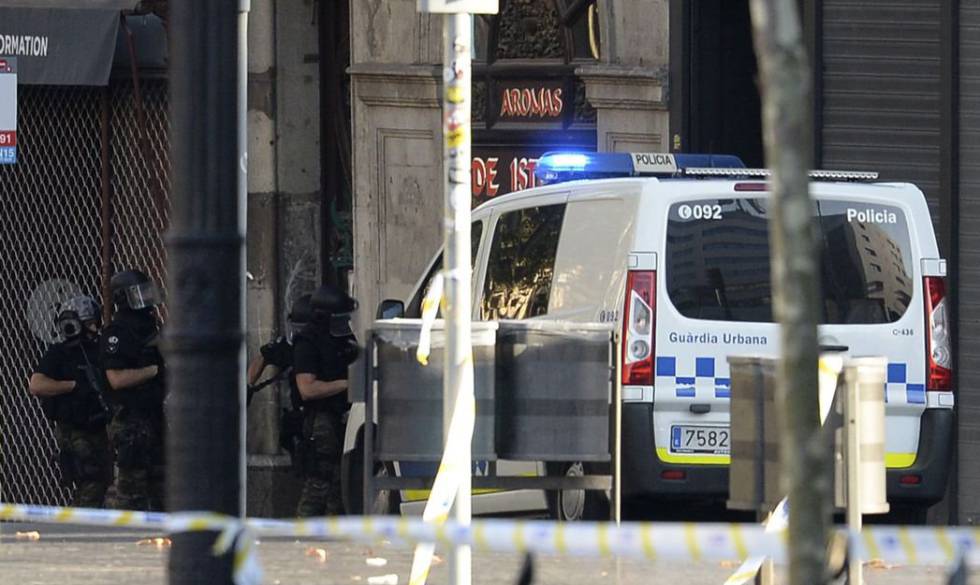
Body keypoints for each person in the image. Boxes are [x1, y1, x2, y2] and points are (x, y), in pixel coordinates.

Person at [29, 295, 112, 508]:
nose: (95, 327)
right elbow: (37, 385)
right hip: (74, 429)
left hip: (99, 425)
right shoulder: (60, 353)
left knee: (103, 479)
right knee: (90, 481)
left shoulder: (98, 350)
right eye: (91, 323)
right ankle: (78, 525)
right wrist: (73, 385)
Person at [101, 269, 166, 511]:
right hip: (130, 422)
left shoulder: (151, 328)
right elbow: (116, 379)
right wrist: (156, 370)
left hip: (155, 418)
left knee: (162, 489)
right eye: (139, 293)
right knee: (131, 493)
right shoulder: (117, 334)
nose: (145, 298)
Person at [291, 284, 360, 517]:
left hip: (344, 417)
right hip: (322, 421)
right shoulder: (307, 342)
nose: (346, 323)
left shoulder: (342, 337)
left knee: (339, 487)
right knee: (319, 484)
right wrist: (346, 384)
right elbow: (307, 389)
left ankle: (333, 541)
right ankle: (302, 536)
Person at [246, 294, 311, 462]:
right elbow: (263, 357)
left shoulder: (331, 345)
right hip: (302, 413)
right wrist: (248, 386)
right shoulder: (289, 345)